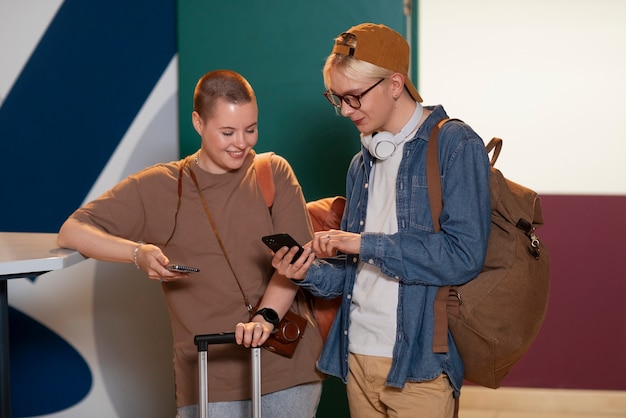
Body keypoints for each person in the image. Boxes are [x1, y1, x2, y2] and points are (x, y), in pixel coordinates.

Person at [57, 69, 324, 418]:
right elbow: (73, 230)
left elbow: (295, 265)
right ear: (199, 123)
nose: (241, 143)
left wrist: (265, 318)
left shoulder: (272, 172)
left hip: (285, 365)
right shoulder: (160, 186)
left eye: (250, 129)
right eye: (227, 132)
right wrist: (138, 254)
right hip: (206, 373)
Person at [270, 23, 492, 418]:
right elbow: (353, 276)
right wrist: (304, 273)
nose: (345, 111)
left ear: (393, 84)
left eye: (354, 97)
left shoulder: (456, 145)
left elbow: (463, 256)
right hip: (356, 358)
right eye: (336, 99)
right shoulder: (362, 164)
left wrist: (363, 243)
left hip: (420, 368)